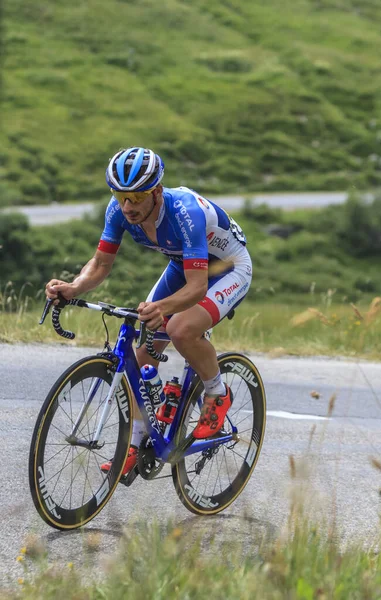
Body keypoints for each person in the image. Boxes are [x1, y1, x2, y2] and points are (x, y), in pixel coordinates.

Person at [45, 147, 252, 477]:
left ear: (156, 191)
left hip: (228, 269)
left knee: (180, 329)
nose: (128, 206)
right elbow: (100, 264)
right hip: (183, 266)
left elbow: (198, 287)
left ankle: (216, 394)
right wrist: (73, 287)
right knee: (142, 362)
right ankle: (137, 446)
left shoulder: (184, 211)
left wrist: (163, 309)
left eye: (137, 197)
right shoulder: (118, 210)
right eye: (120, 196)